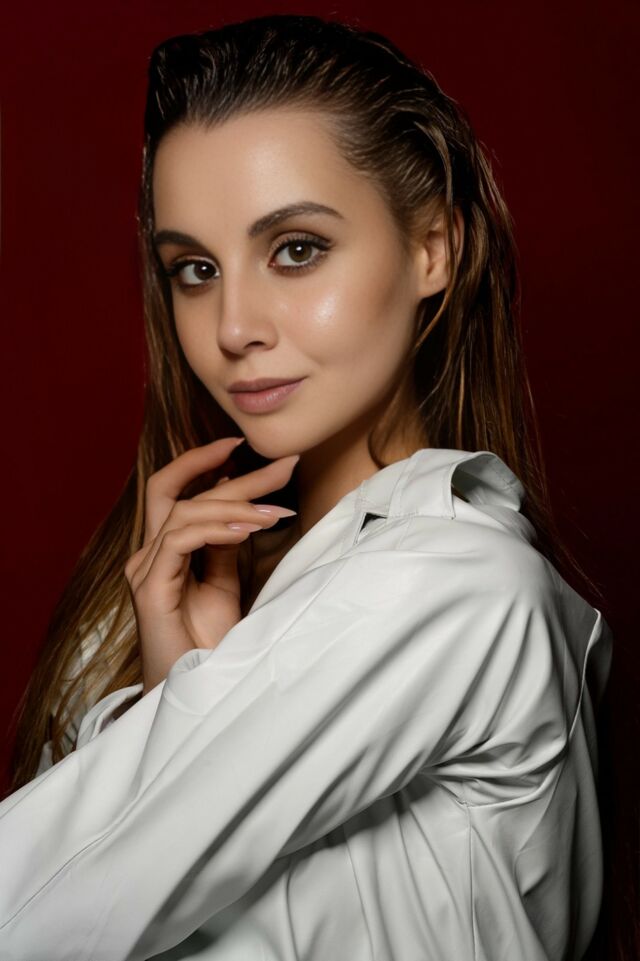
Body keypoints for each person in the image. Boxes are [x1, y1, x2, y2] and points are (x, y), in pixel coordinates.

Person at [0, 13, 612, 961]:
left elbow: (38, 907)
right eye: (194, 269)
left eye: (295, 249)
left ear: (432, 249)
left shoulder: (457, 588)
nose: (232, 326)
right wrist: (180, 681)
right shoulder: (165, 595)